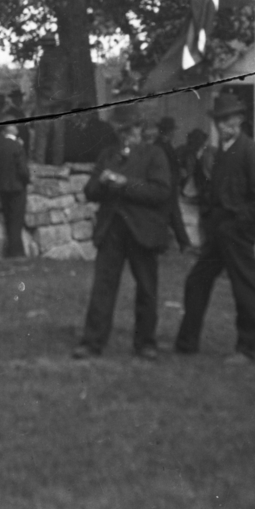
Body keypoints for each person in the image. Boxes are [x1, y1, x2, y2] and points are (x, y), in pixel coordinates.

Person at [174, 93, 255, 364]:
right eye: (219, 120)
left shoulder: (252, 152)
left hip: (237, 232)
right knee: (196, 281)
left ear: (240, 120)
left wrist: (239, 221)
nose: (223, 125)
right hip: (218, 231)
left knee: (245, 288)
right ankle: (187, 342)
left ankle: (249, 348)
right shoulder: (221, 152)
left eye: (228, 119)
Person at [72, 102, 172, 360]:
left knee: (147, 289)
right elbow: (89, 192)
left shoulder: (154, 155)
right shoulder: (108, 155)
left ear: (140, 128)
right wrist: (103, 182)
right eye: (122, 131)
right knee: (103, 287)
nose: (126, 135)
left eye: (131, 129)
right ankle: (92, 342)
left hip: (142, 230)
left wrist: (126, 183)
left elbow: (161, 192)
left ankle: (145, 343)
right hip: (112, 228)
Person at [150, 116, 192, 252]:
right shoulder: (159, 146)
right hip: (165, 184)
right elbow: (161, 167)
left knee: (173, 214)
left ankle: (183, 244)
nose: (173, 133)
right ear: (166, 131)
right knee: (168, 214)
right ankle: (178, 244)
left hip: (170, 184)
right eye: (171, 130)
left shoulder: (165, 145)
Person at [32, 33, 74, 165]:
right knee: (59, 135)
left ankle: (39, 164)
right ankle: (57, 164)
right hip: (63, 101)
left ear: (44, 46)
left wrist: (40, 92)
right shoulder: (65, 58)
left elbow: (37, 82)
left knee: (42, 135)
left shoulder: (45, 58)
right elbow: (72, 81)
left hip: (45, 100)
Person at [0, 122, 30, 259]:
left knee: (9, 220)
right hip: (17, 186)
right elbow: (22, 169)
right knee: (17, 220)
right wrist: (26, 180)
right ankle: (16, 252)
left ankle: (13, 250)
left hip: (3, 187)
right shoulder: (17, 146)